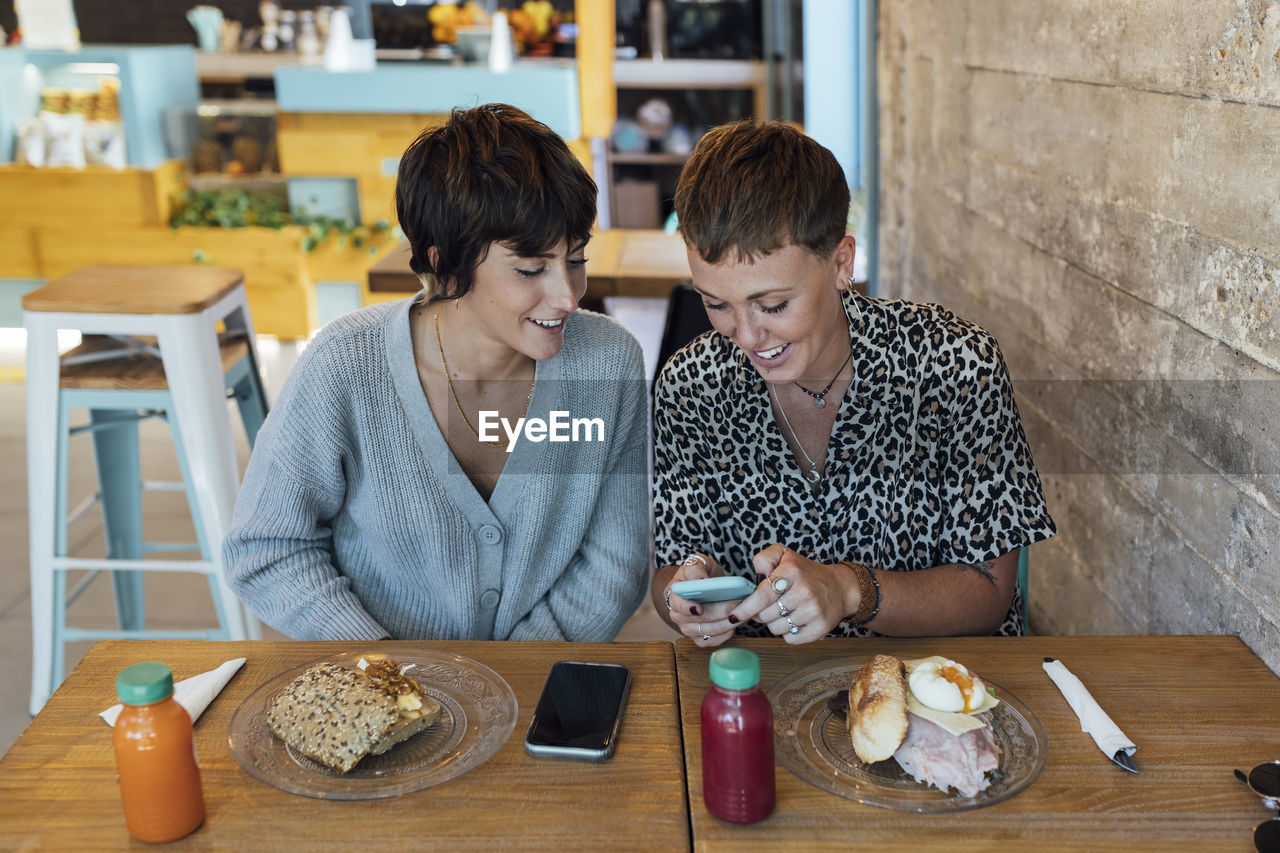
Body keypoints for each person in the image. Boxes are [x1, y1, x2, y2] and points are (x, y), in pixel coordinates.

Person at [225, 104, 649, 641]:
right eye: (530, 268)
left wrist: (515, 673)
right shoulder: (346, 364)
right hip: (380, 696)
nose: (567, 294)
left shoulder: (607, 365)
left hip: (545, 686)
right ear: (445, 263)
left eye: (576, 259)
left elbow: (615, 563)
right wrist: (391, 678)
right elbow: (267, 549)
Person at [651, 120, 1056, 645]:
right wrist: (683, 598)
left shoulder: (954, 362)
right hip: (764, 694)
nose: (746, 336)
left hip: (936, 696)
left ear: (842, 262)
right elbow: (671, 568)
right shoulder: (691, 384)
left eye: (773, 304)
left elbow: (987, 592)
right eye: (716, 304)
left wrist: (847, 590)